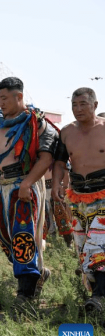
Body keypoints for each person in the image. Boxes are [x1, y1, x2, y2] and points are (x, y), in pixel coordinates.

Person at [0, 77, 58, 307]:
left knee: (22, 235)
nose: (0, 103)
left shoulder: (38, 122)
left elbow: (46, 158)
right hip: (2, 186)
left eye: (4, 98)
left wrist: (27, 183)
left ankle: (25, 292)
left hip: (25, 185)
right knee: (5, 237)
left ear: (19, 96)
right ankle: (37, 273)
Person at [53, 88, 105, 312]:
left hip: (104, 194)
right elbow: (59, 162)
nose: (78, 109)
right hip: (78, 198)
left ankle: (99, 297)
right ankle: (96, 295)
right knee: (83, 248)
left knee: (98, 246)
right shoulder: (66, 132)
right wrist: (56, 184)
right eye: (74, 104)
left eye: (83, 104)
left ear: (94, 105)